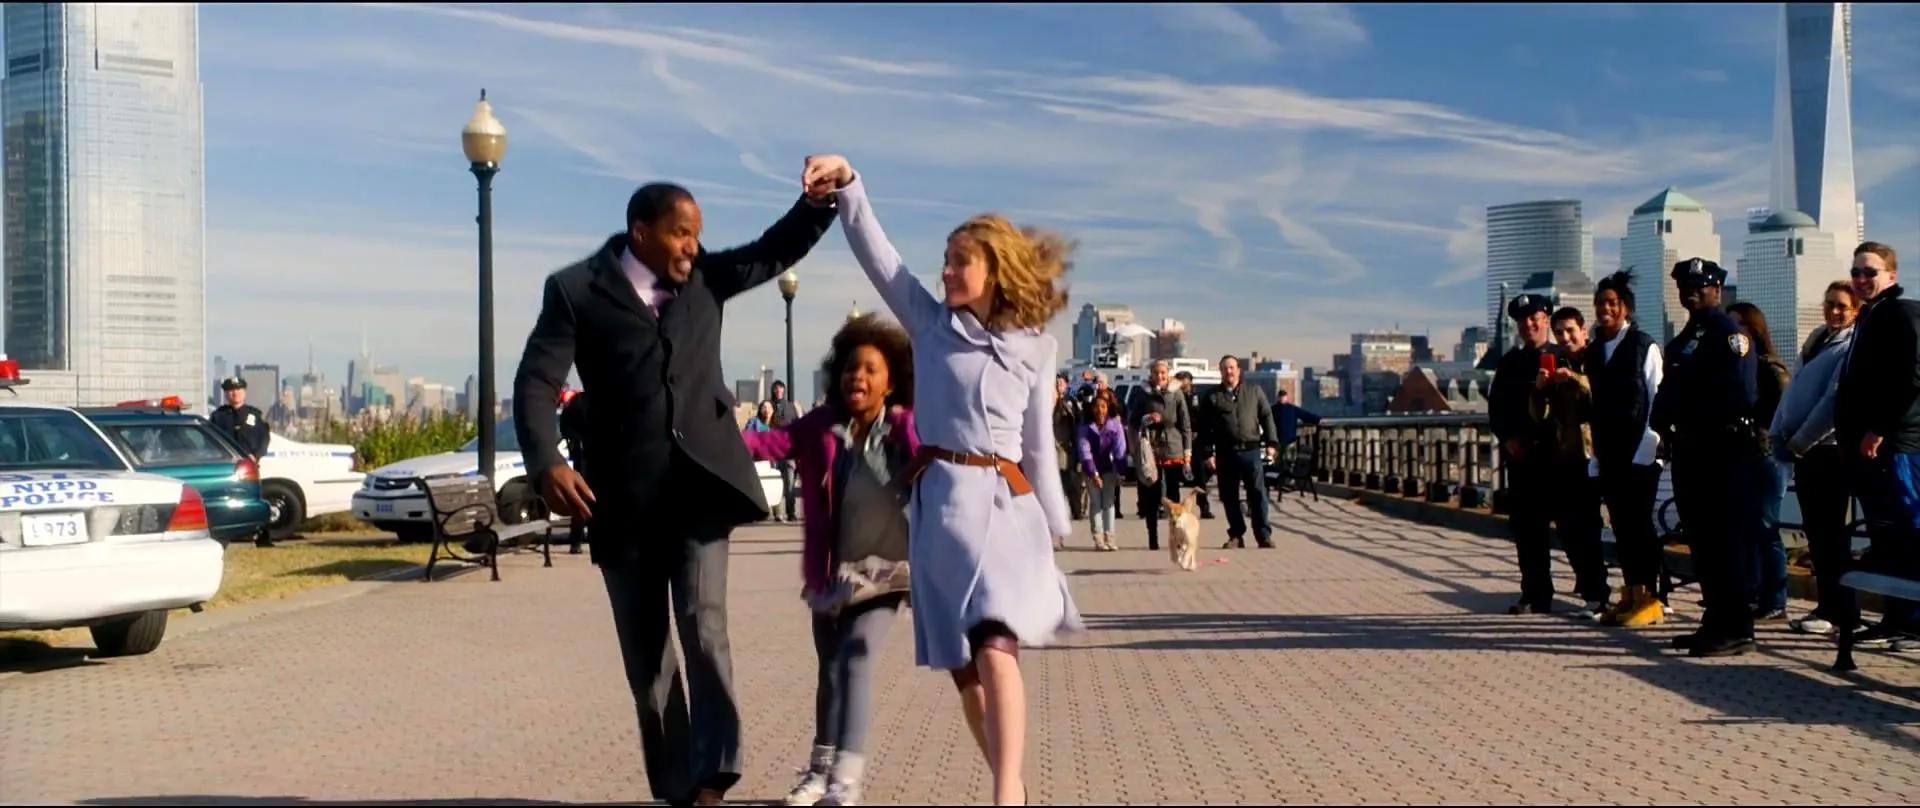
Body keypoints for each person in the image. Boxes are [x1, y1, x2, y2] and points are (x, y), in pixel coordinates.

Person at [510, 177, 839, 807]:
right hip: (620, 498)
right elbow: (535, 382)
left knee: (703, 623)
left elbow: (774, 249)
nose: (693, 245)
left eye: (698, 234)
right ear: (642, 232)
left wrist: (820, 201)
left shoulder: (707, 278)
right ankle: (678, 787)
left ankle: (714, 774)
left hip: (701, 489)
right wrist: (546, 460)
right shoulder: (576, 290)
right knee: (648, 654)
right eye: (682, 232)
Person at [806, 153, 1080, 806]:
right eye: (947, 259)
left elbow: (1040, 446)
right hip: (937, 514)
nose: (948, 270)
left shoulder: (1036, 350)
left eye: (962, 261)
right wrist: (850, 186)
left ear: (994, 271)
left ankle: (1004, 799)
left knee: (995, 645)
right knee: (965, 670)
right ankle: (1011, 781)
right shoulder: (930, 325)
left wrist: (1055, 520)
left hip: (1005, 512)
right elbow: (882, 260)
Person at [737, 314, 918, 808]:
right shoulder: (821, 426)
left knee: (858, 653)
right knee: (830, 672)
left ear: (891, 381)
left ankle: (844, 785)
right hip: (831, 572)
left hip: (889, 571)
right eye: (849, 368)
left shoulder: (906, 428)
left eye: (870, 370)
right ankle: (820, 772)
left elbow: (941, 474)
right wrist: (704, 435)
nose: (857, 377)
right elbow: (765, 443)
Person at [1650, 257, 1766, 657]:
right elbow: (1670, 390)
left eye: (1701, 284)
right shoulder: (1688, 336)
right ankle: (1715, 618)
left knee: (1727, 541)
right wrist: (1666, 424)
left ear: (1717, 287)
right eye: (1685, 285)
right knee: (1702, 540)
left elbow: (1739, 396)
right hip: (1691, 452)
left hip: (1723, 453)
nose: (1692, 291)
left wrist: (1695, 424)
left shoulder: (1729, 335)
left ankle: (1737, 626)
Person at [1487, 294, 1606, 616]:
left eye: (1535, 318)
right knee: (1528, 532)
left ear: (1546, 320)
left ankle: (1595, 592)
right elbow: (1497, 408)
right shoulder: (1510, 363)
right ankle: (1535, 594)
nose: (1529, 325)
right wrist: (1509, 439)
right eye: (1523, 320)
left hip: (1564, 461)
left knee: (1576, 530)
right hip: (1524, 460)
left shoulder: (1564, 357)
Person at [1831, 241, 1920, 652]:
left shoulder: (1901, 314)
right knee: (1887, 537)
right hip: (1870, 449)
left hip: (1900, 446)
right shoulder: (1871, 318)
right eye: (1856, 272)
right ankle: (1894, 618)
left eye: (1870, 271)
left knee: (1910, 529)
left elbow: (1910, 378)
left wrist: (1879, 428)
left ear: (1891, 275)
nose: (1862, 279)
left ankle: (1914, 624)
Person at [1771, 280, 1859, 636]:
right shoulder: (1816, 341)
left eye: (1841, 306)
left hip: (1829, 451)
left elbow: (1833, 402)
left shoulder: (1850, 346)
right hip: (1803, 451)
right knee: (1818, 536)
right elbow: (1792, 392)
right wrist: (1777, 432)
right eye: (1829, 304)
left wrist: (1801, 441)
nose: (1833, 311)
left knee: (1833, 536)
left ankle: (1841, 612)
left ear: (1855, 310)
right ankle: (1827, 606)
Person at [1582, 271, 1670, 628]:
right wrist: (1596, 457)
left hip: (1641, 453)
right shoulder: (1594, 350)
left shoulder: (1642, 345)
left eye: (1612, 303)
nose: (1605, 309)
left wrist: (1649, 447)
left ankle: (1651, 596)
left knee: (1640, 525)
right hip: (1610, 452)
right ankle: (1632, 591)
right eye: (1600, 303)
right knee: (1620, 525)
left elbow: (1656, 396)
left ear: (1625, 308)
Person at [1726, 302, 1794, 623]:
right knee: (1745, 527)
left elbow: (1785, 409)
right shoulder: (1736, 367)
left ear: (1754, 329)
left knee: (1766, 527)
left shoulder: (1769, 367)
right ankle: (1751, 592)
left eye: (1739, 325)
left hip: (1767, 456)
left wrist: (1761, 430)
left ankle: (1776, 600)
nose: (1733, 332)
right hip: (1742, 456)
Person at [1543, 305, 1611, 619]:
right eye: (1559, 333)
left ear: (1583, 329)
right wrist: (1541, 389)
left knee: (1594, 527)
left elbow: (1604, 398)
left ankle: (1607, 594)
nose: (1565, 337)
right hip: (1566, 456)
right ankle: (1591, 591)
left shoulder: (1598, 358)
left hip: (1597, 454)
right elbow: (1540, 415)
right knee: (1570, 527)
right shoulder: (1555, 364)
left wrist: (1573, 379)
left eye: (1571, 330)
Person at [1194, 355, 1279, 549]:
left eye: (1232, 368)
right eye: (1225, 369)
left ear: (1239, 370)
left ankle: (1263, 535)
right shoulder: (1212, 396)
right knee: (1229, 496)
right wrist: (1207, 453)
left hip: (1251, 451)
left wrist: (1272, 443)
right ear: (1221, 372)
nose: (1229, 372)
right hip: (1226, 453)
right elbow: (1204, 428)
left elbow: (1267, 417)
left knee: (1258, 494)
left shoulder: (1254, 391)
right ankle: (1236, 534)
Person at [1131, 360, 1193, 552]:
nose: (1160, 376)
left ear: (1169, 374)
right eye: (1156, 373)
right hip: (1152, 448)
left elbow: (1185, 425)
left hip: (1173, 447)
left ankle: (1176, 537)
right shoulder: (1143, 394)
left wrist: (1187, 453)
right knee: (1152, 494)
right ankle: (1152, 537)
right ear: (1151, 374)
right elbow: (1133, 421)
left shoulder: (1177, 393)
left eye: (1163, 373)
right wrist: (1147, 419)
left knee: (1173, 495)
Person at [210, 376, 274, 548]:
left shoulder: (254, 415)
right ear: (225, 394)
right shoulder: (218, 416)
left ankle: (263, 537)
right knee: (226, 501)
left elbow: (264, 438)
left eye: (238, 390)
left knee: (255, 500)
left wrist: (257, 455)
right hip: (227, 467)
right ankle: (224, 538)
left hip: (249, 467)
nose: (235, 394)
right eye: (231, 391)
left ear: (244, 392)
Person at [1078, 388, 1128, 551]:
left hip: (1108, 467)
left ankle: (1110, 537)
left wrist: (1121, 471)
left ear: (1108, 409)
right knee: (1096, 502)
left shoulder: (1115, 426)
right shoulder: (1085, 427)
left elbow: (1120, 449)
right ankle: (1098, 537)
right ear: (1092, 409)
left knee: (1108, 502)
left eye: (1103, 407)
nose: (1100, 410)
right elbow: (1085, 452)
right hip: (1090, 467)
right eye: (1097, 407)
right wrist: (1093, 474)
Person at [1173, 371, 1215, 519]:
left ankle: (1204, 506)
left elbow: (1204, 419)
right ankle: (1173, 506)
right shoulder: (1174, 397)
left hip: (1196, 441)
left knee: (1201, 475)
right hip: (1178, 440)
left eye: (1184, 382)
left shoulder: (1198, 398)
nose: (1182, 385)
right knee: (1174, 474)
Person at [559, 389, 592, 555]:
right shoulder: (592, 402)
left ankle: (576, 540)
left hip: (581, 459)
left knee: (580, 502)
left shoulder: (574, 406)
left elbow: (565, 429)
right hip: (593, 458)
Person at [1052, 374, 1088, 523]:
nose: (1058, 386)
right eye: (1056, 383)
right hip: (1052, 446)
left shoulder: (1070, 402)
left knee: (1072, 482)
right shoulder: (1047, 401)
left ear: (1066, 386)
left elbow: (1078, 422)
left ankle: (1076, 510)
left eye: (1061, 383)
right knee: (1055, 483)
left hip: (1067, 447)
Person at [769, 381, 803, 522]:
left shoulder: (790, 407)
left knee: (789, 482)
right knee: (775, 481)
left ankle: (791, 511)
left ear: (784, 390)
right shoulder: (768, 405)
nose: (778, 391)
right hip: (773, 450)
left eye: (780, 388)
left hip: (788, 450)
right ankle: (777, 513)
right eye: (776, 389)